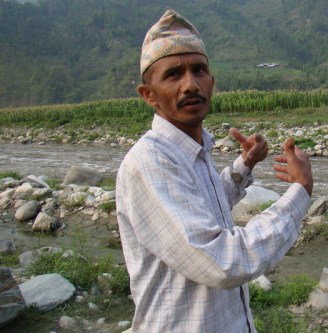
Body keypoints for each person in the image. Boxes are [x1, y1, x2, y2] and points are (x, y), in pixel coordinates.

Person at [116, 9, 313, 333]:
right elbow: (221, 261)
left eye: (199, 70)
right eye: (173, 74)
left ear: (212, 82)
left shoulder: (193, 151)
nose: (190, 84)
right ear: (148, 94)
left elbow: (200, 208)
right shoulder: (149, 163)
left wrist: (244, 166)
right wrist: (300, 191)